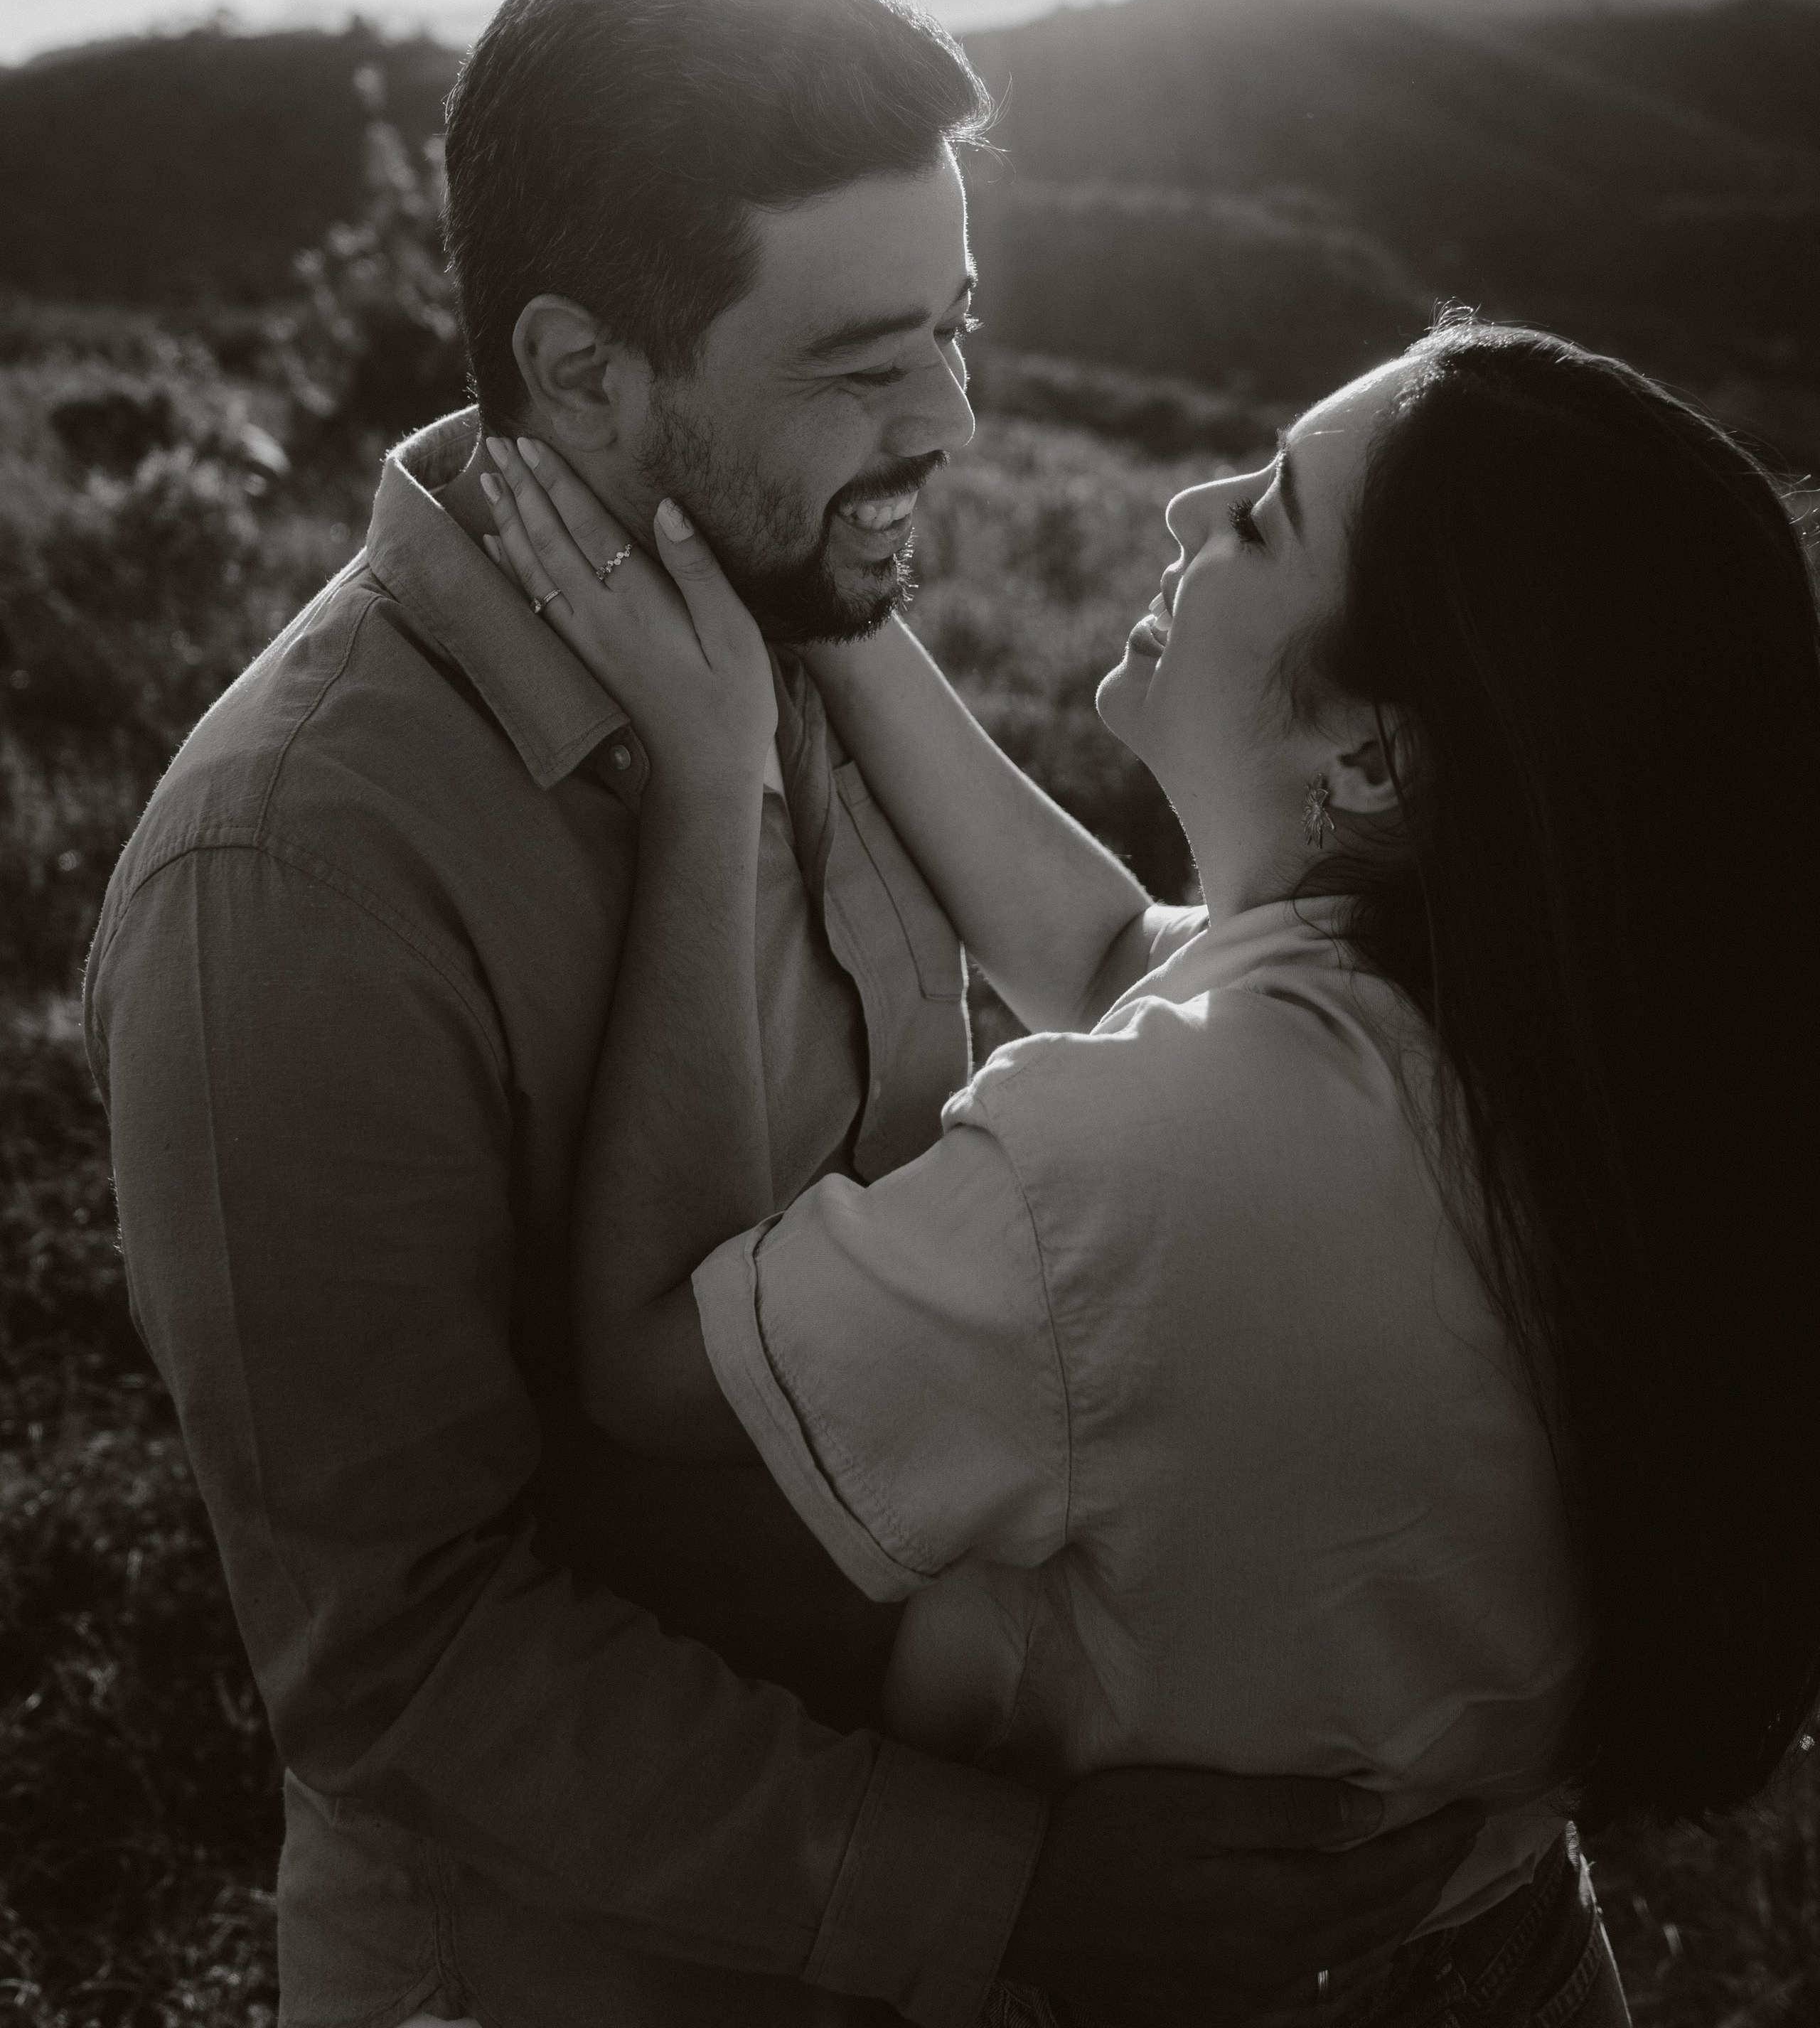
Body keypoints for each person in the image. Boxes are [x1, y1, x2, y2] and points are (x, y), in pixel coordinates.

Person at [89, 0, 1480, 2028]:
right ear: (583, 375)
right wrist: (997, 1888)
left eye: (957, 328)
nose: (956, 420)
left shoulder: (797, 610)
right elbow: (397, 1656)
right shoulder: (294, 877)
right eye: (859, 364)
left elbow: (1104, 966)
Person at [476, 315, 1820, 2028]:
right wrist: (824, 602)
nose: (1190, 502)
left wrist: (698, 781)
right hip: (1517, 1957)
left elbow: (654, 1365)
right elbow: (1113, 950)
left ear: (1375, 755)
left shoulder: (1148, 1152)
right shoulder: (1558, 1031)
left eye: (1263, 515)